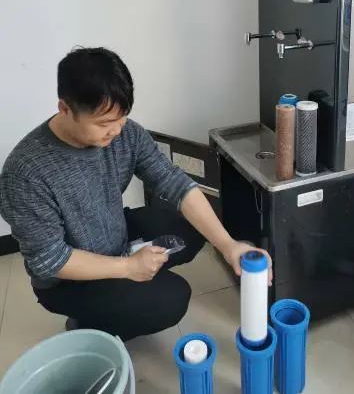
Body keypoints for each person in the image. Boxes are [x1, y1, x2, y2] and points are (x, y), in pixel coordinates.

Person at [0, 47, 271, 341]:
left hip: (114, 235)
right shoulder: (25, 172)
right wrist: (127, 267)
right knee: (171, 299)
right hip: (67, 281)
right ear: (65, 109)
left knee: (190, 229)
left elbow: (176, 184)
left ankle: (128, 290)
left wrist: (229, 246)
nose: (117, 130)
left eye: (122, 117)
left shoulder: (126, 134)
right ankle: (88, 325)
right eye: (104, 123)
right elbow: (50, 260)